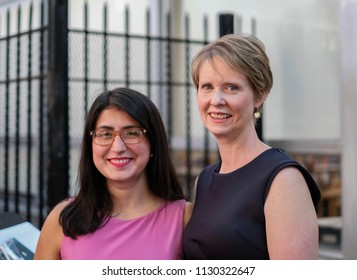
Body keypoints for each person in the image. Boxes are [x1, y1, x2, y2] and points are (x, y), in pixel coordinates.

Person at [182, 34, 321, 260]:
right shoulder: (204, 180)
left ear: (260, 95)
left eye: (231, 87)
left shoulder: (283, 180)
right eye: (207, 86)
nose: (216, 100)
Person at [34, 87, 193, 260]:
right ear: (91, 144)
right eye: (105, 134)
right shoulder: (62, 220)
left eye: (132, 133)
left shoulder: (184, 218)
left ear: (153, 143)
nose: (118, 147)